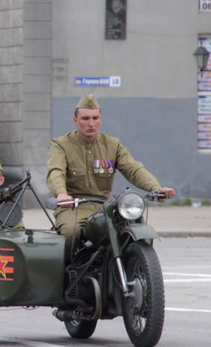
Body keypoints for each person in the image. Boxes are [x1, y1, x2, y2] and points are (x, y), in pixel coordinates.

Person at [47, 93, 175, 257]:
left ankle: (134, 268)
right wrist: (61, 193)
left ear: (101, 119)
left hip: (104, 207)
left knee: (135, 229)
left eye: (95, 118)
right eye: (85, 118)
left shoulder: (112, 145)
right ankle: (68, 275)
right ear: (75, 121)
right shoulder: (61, 145)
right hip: (73, 206)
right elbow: (55, 171)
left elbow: (133, 168)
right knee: (70, 233)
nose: (91, 123)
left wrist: (156, 188)